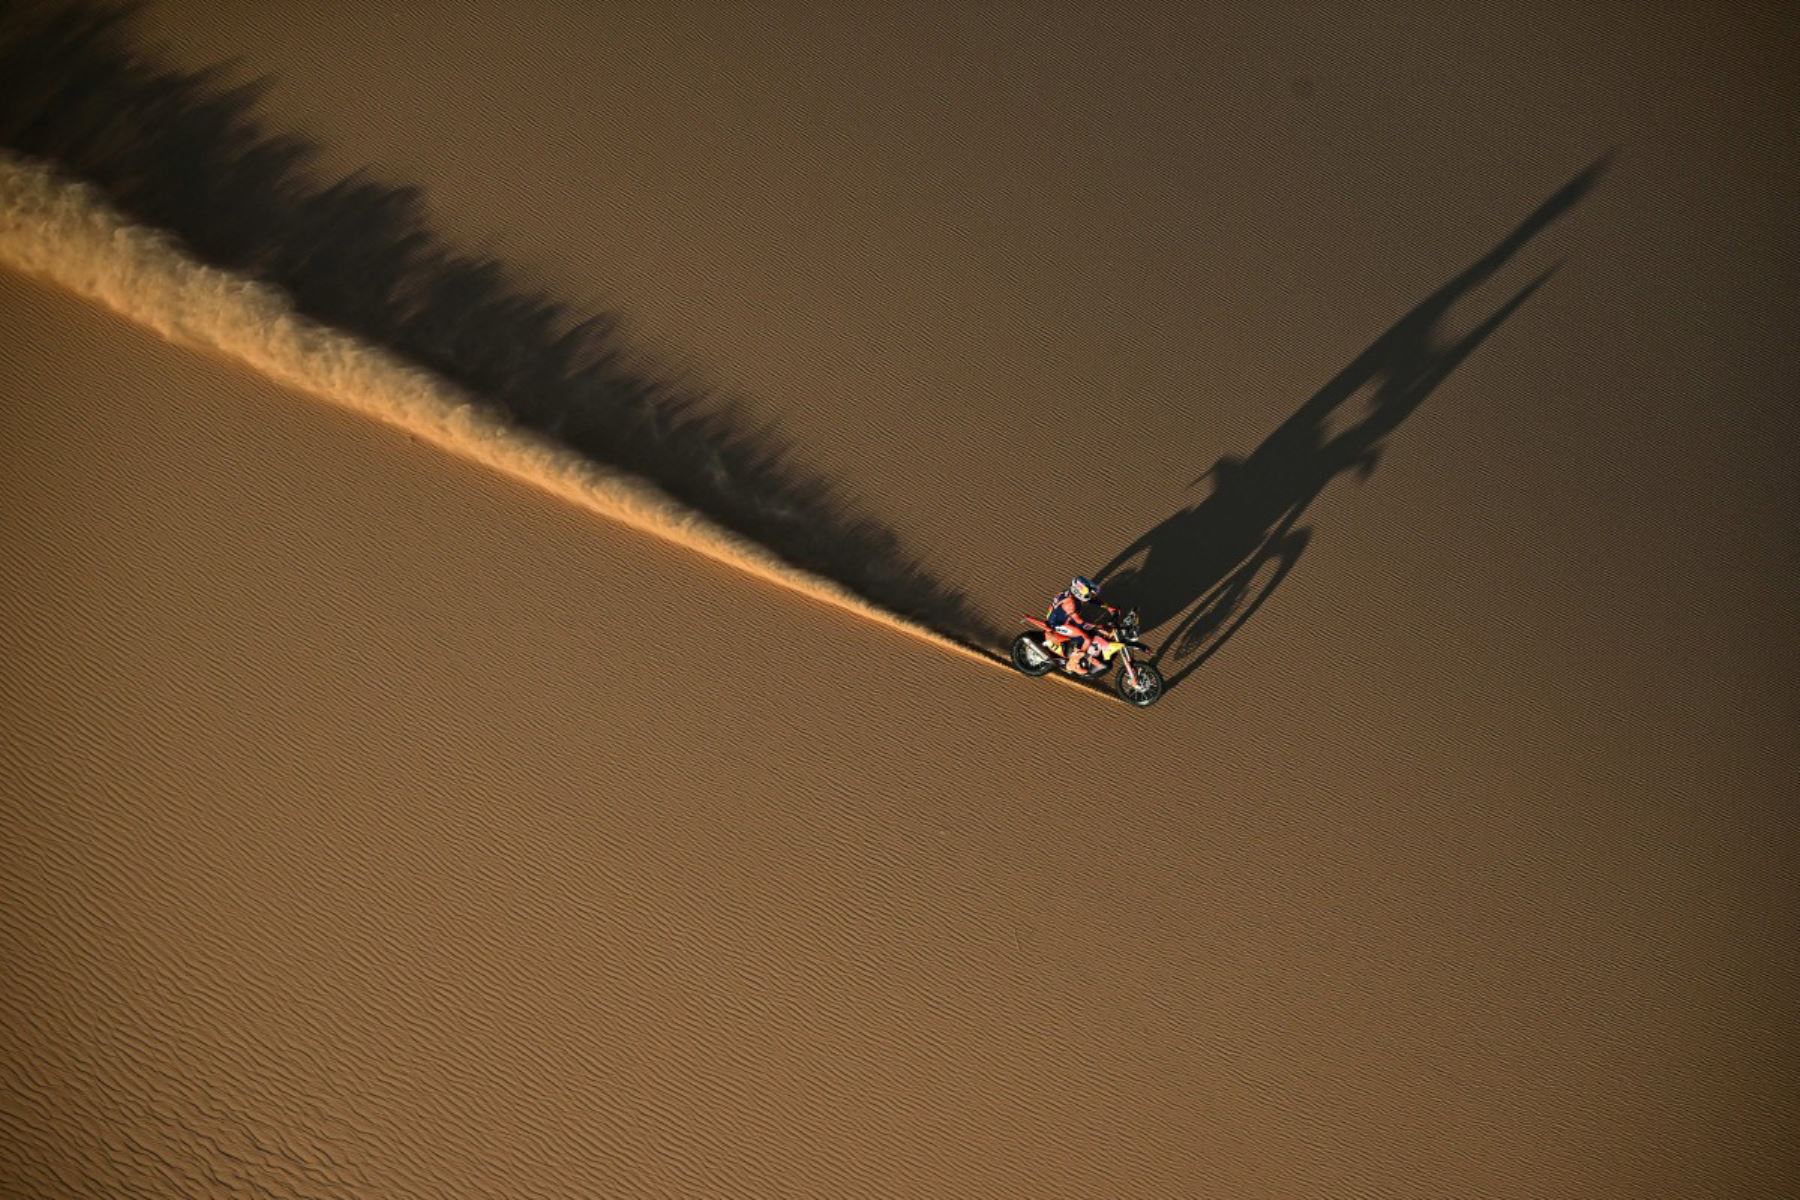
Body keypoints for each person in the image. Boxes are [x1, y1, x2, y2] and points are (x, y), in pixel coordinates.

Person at [1044, 576, 1121, 675]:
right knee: (1086, 638)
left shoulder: (1071, 594)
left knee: (1091, 633)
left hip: (1063, 618)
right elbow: (1080, 622)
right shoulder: (1071, 603)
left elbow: (1092, 600)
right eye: (1086, 594)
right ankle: (1072, 664)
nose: (1089, 595)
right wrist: (1098, 627)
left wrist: (1108, 607)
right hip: (1058, 624)